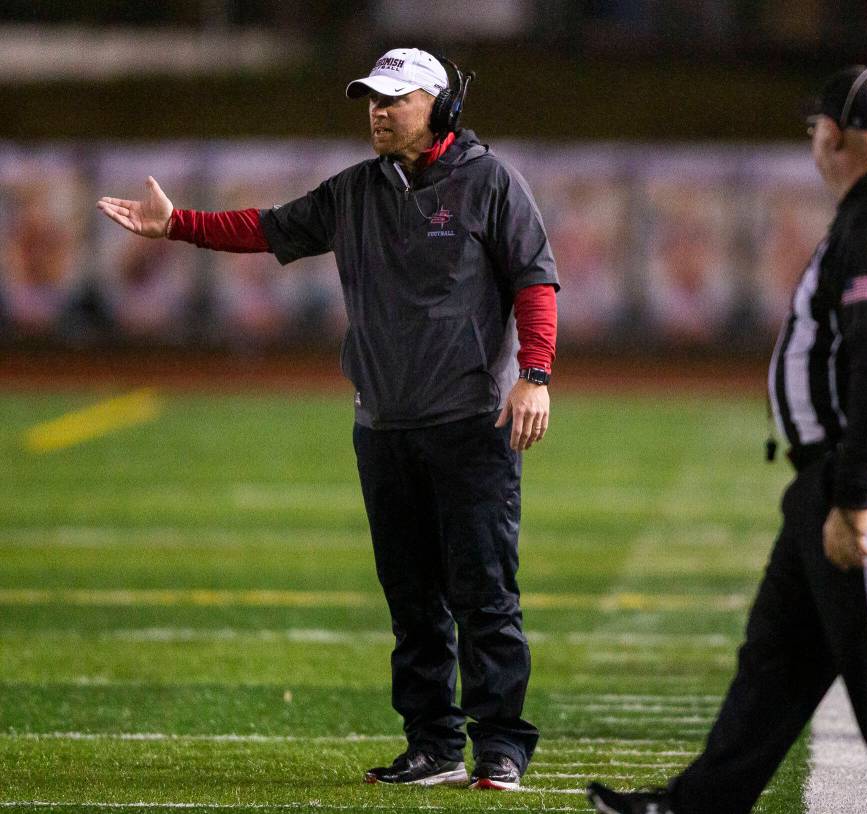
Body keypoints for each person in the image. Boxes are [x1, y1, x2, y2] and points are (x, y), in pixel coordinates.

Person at [97, 47, 559, 791]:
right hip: (381, 424)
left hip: (471, 422)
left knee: (484, 594)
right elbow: (267, 227)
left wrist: (534, 376)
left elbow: (536, 280)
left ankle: (501, 747)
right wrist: (178, 224)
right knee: (411, 601)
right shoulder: (354, 191)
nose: (377, 111)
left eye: (395, 99)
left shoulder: (491, 181)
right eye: (371, 99)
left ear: (440, 105)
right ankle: (433, 745)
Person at [588, 66, 867, 814]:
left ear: (832, 137)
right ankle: (696, 806)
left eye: (813, 133)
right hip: (852, 470)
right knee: (778, 661)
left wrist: (854, 498)